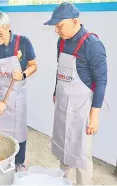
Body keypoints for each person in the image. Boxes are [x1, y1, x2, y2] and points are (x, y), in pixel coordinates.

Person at [44, 2, 107, 185]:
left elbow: (101, 81)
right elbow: (59, 69)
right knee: (64, 147)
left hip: (82, 110)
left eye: (60, 25)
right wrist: (56, 90)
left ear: (75, 21)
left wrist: (94, 116)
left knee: (81, 155)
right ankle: (62, 181)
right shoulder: (62, 42)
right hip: (64, 107)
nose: (57, 30)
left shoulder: (93, 45)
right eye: (55, 26)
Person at [0, 11, 37, 171]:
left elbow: (34, 65)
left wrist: (23, 74)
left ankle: (19, 163)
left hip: (17, 97)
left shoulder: (23, 42)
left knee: (18, 131)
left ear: (8, 28)